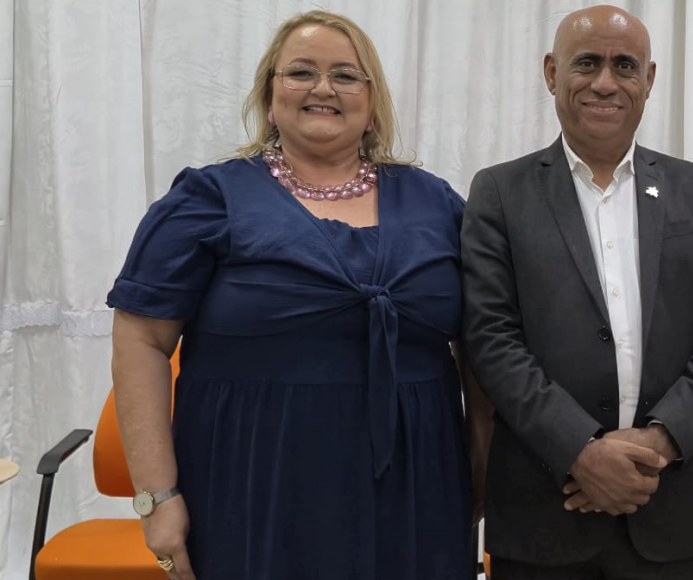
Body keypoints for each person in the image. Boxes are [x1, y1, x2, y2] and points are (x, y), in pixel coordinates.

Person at [107, 10, 491, 580]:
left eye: (345, 75)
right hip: (250, 486)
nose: (323, 88)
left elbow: (480, 353)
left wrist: (481, 475)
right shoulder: (208, 199)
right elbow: (140, 340)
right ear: (269, 95)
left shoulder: (438, 204)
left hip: (417, 489)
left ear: (372, 98)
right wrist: (157, 500)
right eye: (301, 72)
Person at [460, 5, 693, 579]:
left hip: (669, 504)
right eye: (586, 63)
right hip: (544, 511)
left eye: (625, 65)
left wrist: (658, 445)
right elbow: (490, 338)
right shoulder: (499, 192)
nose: (605, 82)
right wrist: (582, 451)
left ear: (648, 79)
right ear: (552, 72)